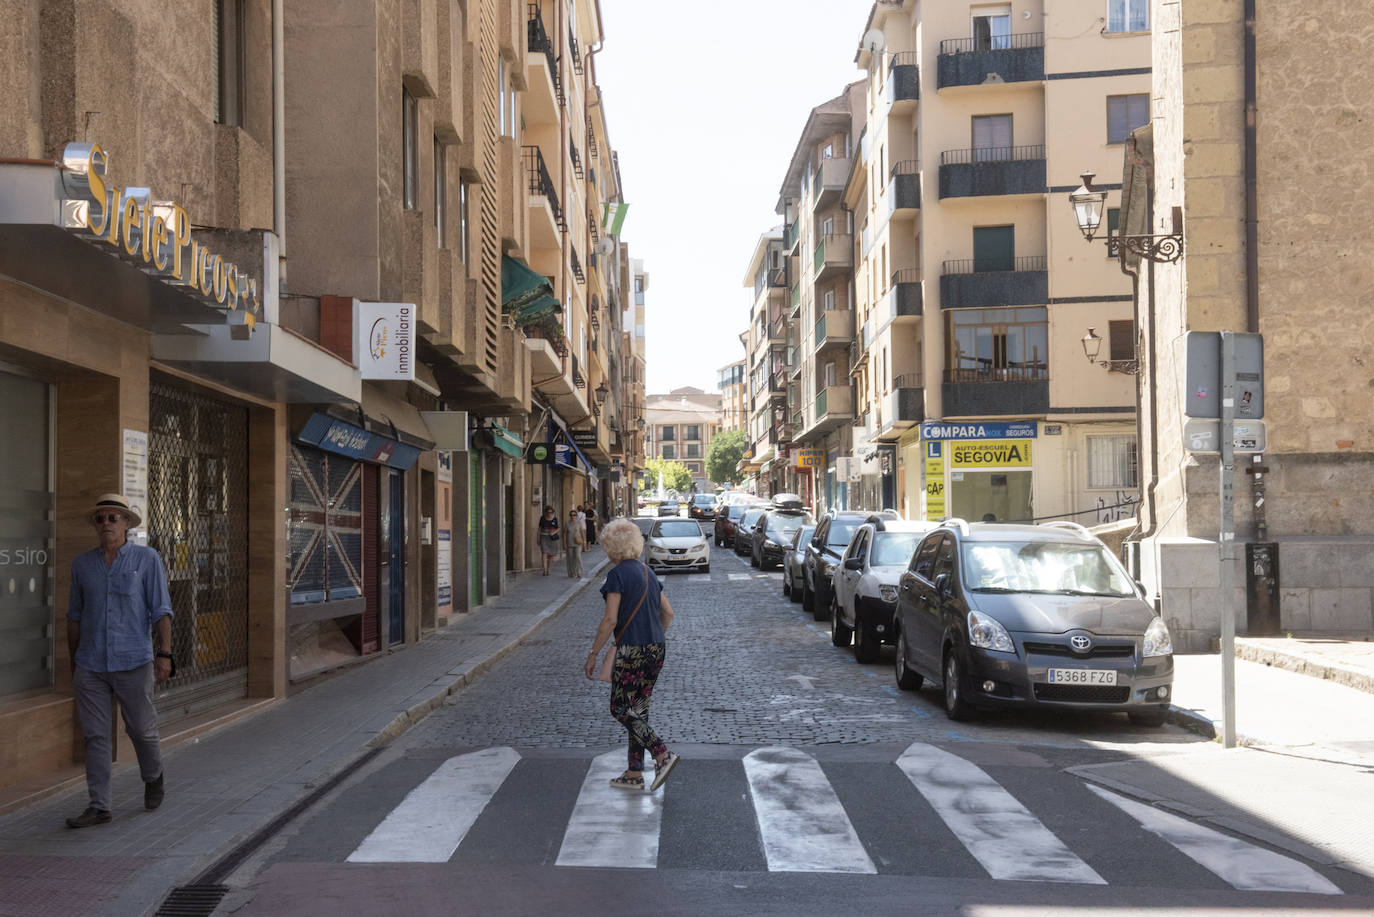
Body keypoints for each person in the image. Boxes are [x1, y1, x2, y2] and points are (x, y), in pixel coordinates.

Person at [65, 494, 173, 828]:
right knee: (96, 736)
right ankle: (99, 806)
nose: (107, 523)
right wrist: (74, 662)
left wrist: (165, 654)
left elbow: (161, 610)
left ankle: (153, 775)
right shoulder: (83, 565)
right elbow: (74, 617)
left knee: (140, 729)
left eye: (114, 517)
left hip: (133, 661)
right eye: (101, 519)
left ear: (127, 523)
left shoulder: (146, 559)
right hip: (91, 664)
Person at [584, 519, 680, 792]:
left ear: (610, 547)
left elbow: (610, 620)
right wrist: (653, 636)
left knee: (620, 708)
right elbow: (668, 613)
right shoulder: (649, 572)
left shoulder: (616, 576)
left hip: (630, 650)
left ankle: (662, 754)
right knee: (638, 710)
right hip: (656, 648)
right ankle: (634, 772)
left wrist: (593, 653)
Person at [537, 506, 560, 576]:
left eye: (551, 512)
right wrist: (537, 538)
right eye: (548, 512)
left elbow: (558, 528)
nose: (549, 514)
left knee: (551, 555)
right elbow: (539, 529)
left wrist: (553, 532)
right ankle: (544, 569)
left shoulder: (555, 519)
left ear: (553, 512)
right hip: (543, 537)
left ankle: (548, 569)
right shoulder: (542, 518)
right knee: (544, 553)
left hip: (552, 538)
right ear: (546, 512)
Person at [563, 508, 585, 577]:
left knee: (578, 557)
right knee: (570, 558)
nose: (573, 516)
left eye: (574, 515)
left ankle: (579, 572)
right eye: (571, 515)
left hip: (578, 543)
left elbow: (582, 532)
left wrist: (584, 541)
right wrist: (564, 543)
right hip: (569, 543)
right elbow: (564, 534)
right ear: (570, 516)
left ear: (576, 516)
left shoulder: (579, 523)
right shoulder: (567, 523)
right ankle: (571, 572)